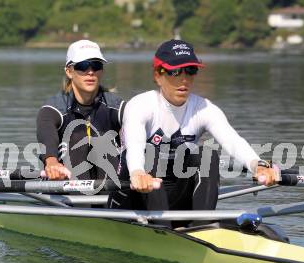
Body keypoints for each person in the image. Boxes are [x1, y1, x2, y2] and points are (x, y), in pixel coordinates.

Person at [110, 39, 278, 212]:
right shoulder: (141, 105)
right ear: (158, 76)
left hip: (175, 197)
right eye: (175, 71)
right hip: (132, 197)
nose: (184, 79)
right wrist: (137, 172)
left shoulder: (203, 108)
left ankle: (202, 226)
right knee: (149, 155)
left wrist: (259, 165)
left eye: (191, 70)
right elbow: (134, 146)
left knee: (207, 155)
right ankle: (163, 231)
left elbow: (233, 141)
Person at [37, 40, 125, 181]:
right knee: (79, 138)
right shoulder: (52, 109)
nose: (90, 72)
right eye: (82, 66)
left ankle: (112, 200)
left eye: (96, 66)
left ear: (101, 71)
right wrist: (52, 162)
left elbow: (140, 123)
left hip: (109, 185)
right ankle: (81, 202)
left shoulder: (116, 106)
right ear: (69, 71)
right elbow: (46, 132)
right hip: (66, 187)